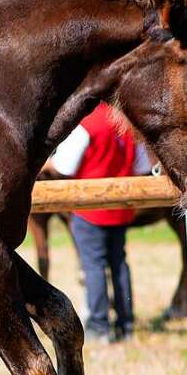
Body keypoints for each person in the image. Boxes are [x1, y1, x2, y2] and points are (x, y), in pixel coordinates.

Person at [45, 102, 150, 342]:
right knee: (119, 264)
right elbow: (141, 165)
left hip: (89, 210)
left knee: (93, 266)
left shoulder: (87, 123)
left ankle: (99, 325)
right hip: (121, 208)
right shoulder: (127, 122)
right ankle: (126, 323)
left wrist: (46, 164)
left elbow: (65, 166)